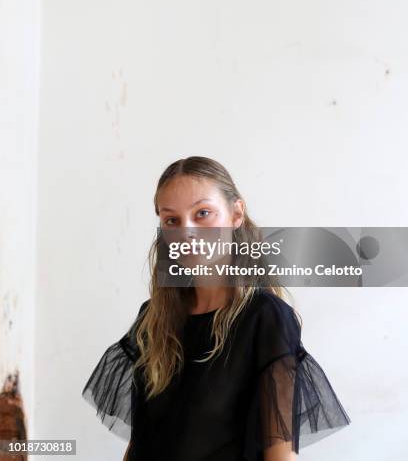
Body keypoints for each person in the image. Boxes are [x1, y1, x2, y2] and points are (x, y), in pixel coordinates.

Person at [82, 156, 351, 460]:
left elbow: (280, 452)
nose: (187, 232)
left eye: (203, 213)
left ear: (236, 214)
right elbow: (139, 443)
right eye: (172, 220)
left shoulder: (265, 318)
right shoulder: (153, 319)